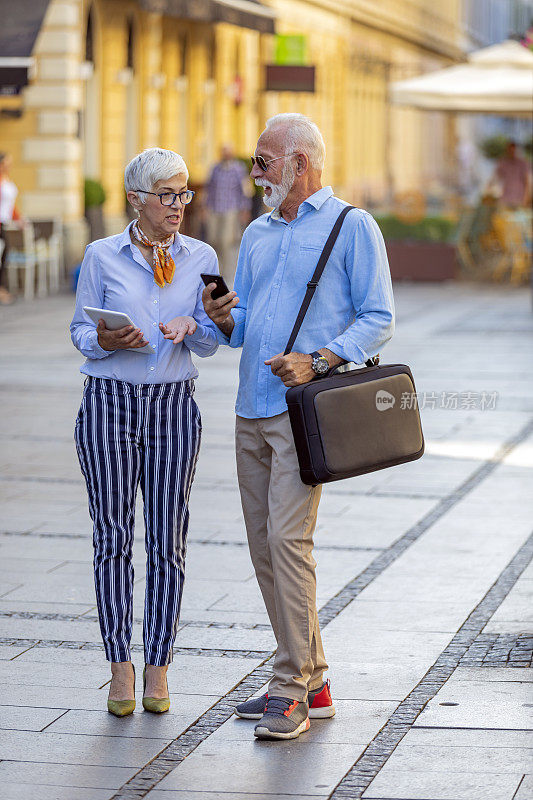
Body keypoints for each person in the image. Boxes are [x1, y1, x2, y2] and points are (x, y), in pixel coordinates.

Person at [202, 113, 395, 740]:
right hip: (248, 409)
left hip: (301, 412)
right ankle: (312, 681)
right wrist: (223, 317)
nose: (255, 173)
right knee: (265, 551)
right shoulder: (257, 232)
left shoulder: (352, 226)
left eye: (264, 161)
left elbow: (378, 316)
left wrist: (318, 360)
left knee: (288, 543)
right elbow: (247, 324)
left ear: (299, 163)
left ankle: (289, 687)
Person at [70, 148, 219, 717]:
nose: (179, 205)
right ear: (136, 198)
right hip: (109, 404)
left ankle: (158, 665)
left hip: (174, 405)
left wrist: (194, 326)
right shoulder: (101, 255)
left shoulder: (201, 255)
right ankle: (119, 668)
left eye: (183, 193)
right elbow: (81, 330)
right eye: (167, 194)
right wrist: (107, 340)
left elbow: (214, 334)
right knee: (112, 536)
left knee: (167, 539)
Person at [205, 144, 251, 284]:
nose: (225, 154)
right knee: (213, 240)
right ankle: (216, 269)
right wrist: (204, 208)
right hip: (214, 209)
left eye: (228, 152)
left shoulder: (238, 169)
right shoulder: (215, 168)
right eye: (223, 151)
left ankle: (225, 274)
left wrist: (245, 209)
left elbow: (244, 190)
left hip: (231, 210)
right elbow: (209, 188)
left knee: (226, 241)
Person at [0, 152, 21, 305]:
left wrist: (19, 219)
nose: (9, 166)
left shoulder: (7, 180)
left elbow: (10, 205)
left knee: (4, 258)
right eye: (6, 163)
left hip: (5, 224)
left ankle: (2, 289)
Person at [490, 140, 531, 209]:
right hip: (505, 198)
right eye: (509, 150)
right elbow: (496, 178)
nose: (511, 152)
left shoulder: (523, 164)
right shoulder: (503, 163)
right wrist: (490, 189)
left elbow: (527, 182)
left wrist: (526, 199)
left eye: (513, 150)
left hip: (518, 199)